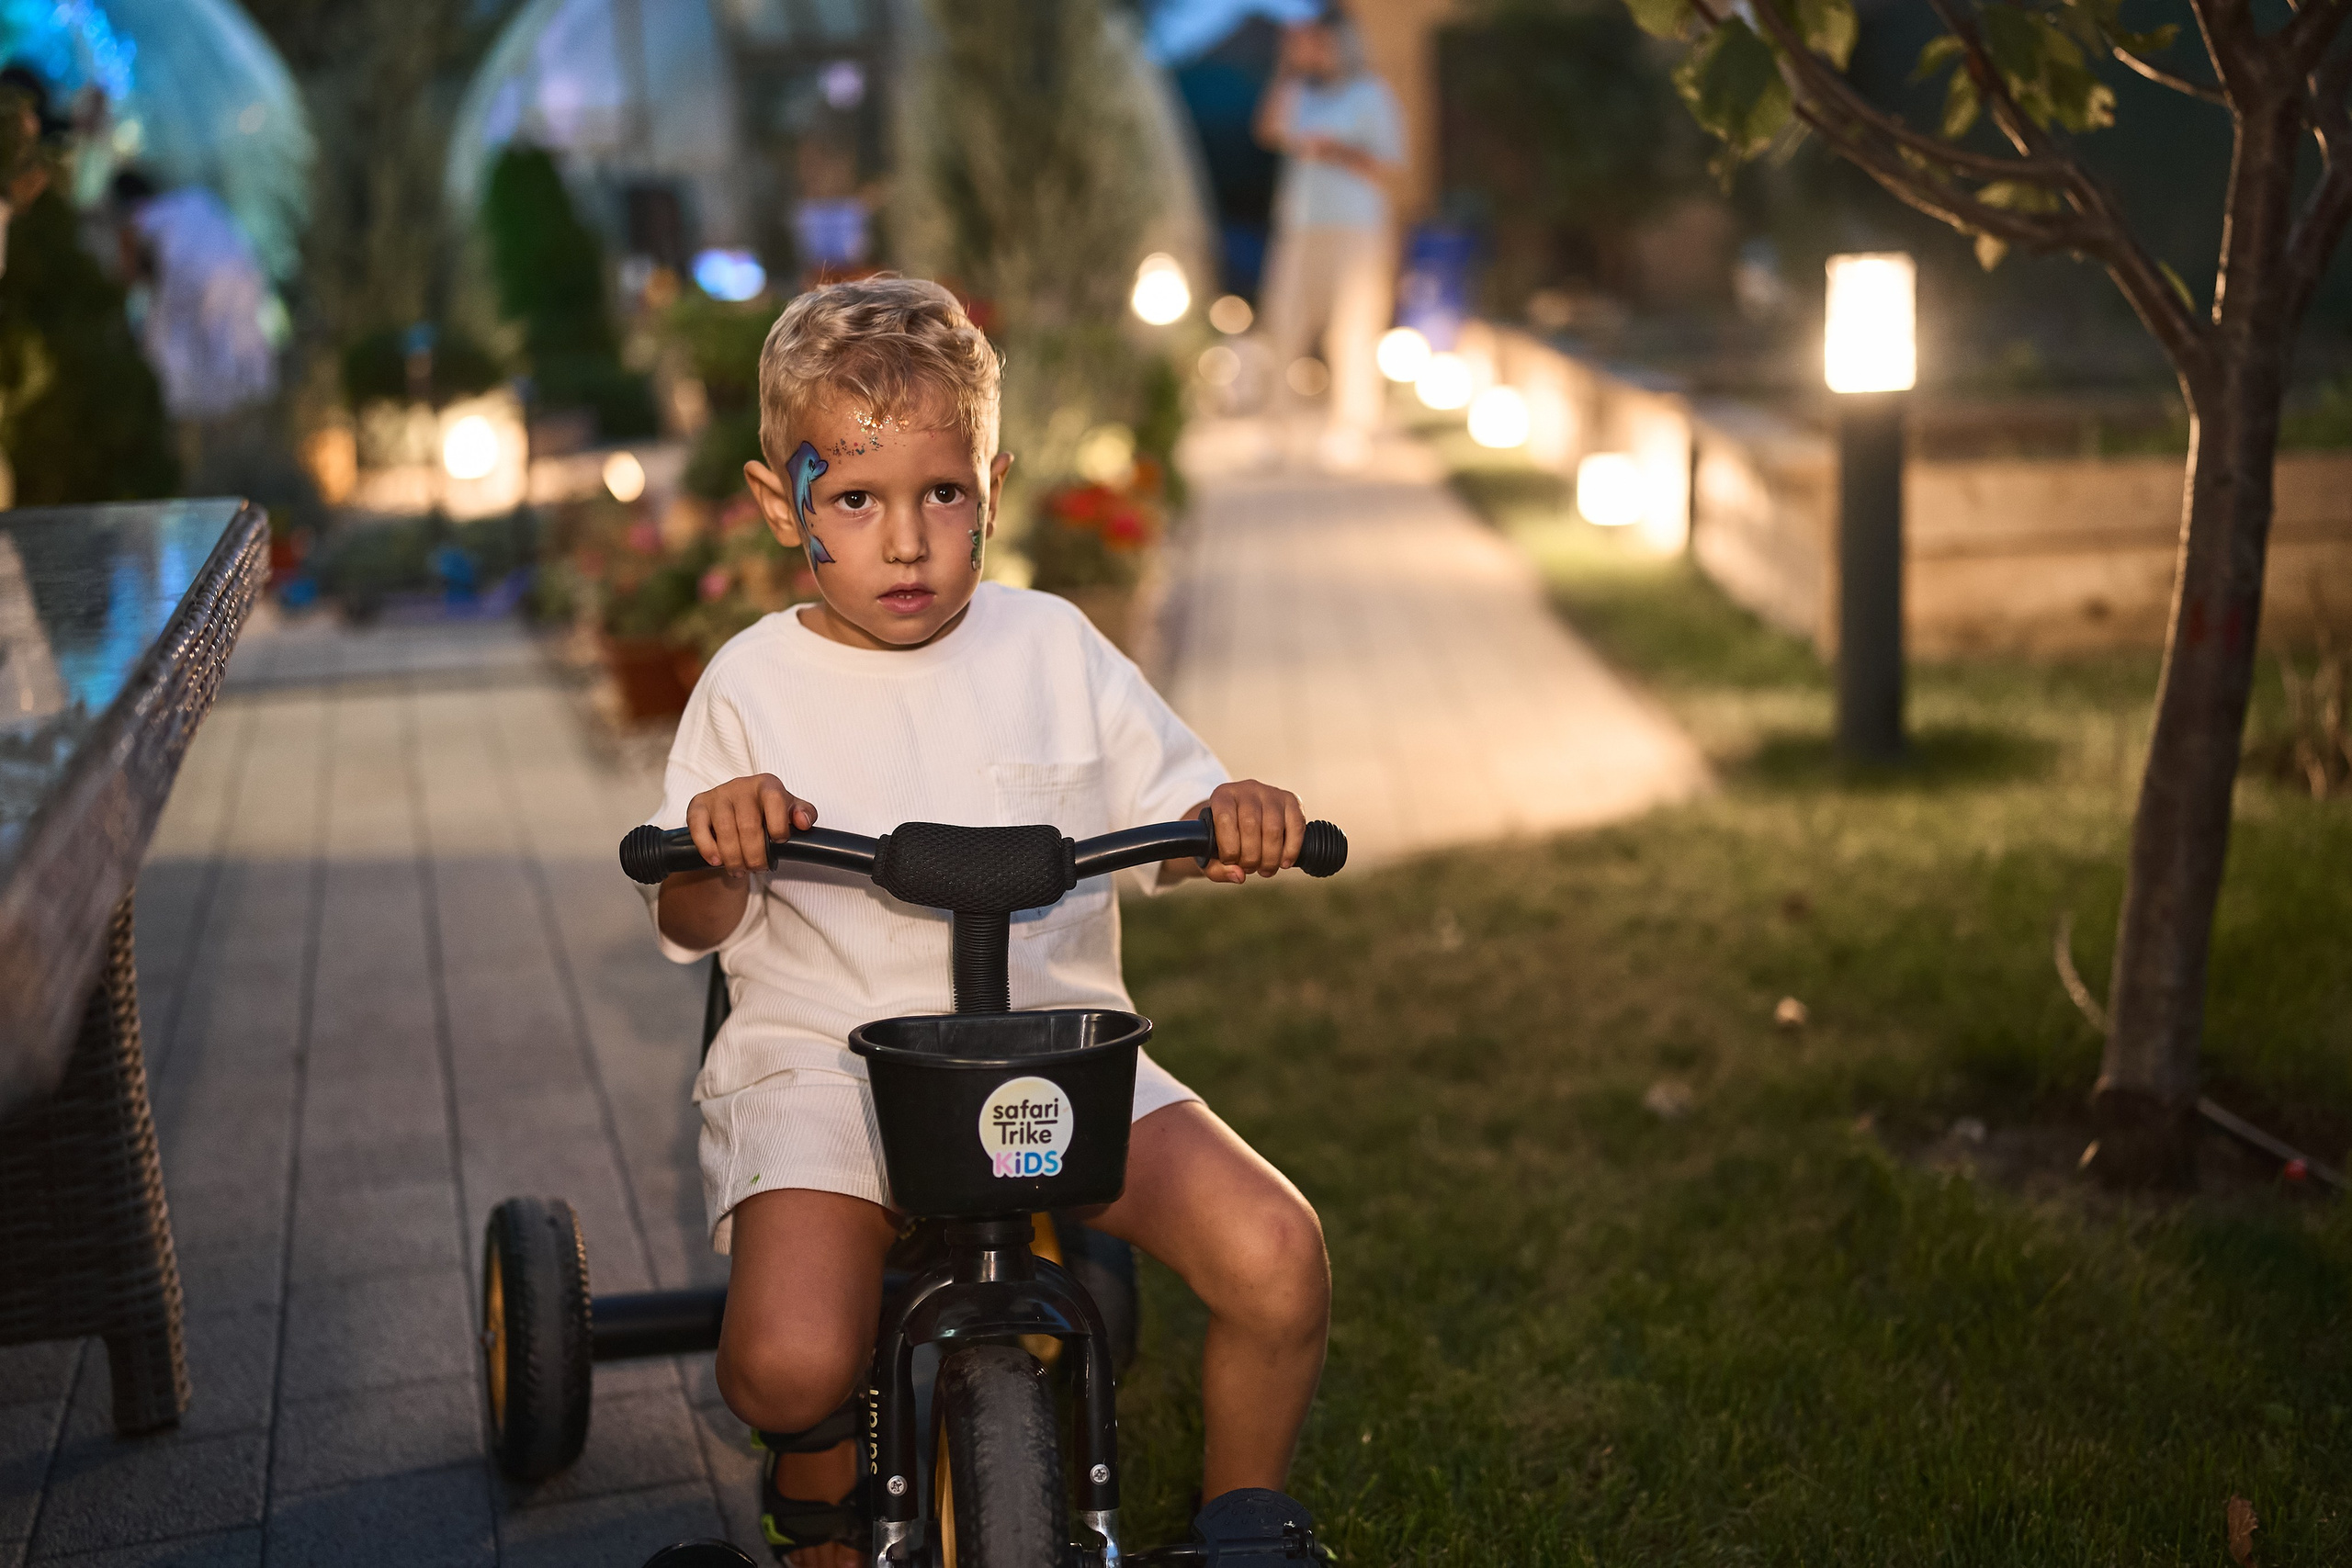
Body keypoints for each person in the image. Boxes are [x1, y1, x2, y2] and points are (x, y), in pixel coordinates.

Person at [637, 276, 1332, 1567]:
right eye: (853, 497)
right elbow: (688, 908)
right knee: (788, 1363)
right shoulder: (751, 686)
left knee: (1279, 1252)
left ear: (993, 489)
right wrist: (720, 841)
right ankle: (820, 1493)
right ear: (776, 501)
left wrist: (1229, 813)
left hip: (1054, 1054)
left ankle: (1244, 1524)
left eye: (940, 495)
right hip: (835, 1068)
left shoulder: (1053, 646)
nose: (905, 542)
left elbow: (1178, 807)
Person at [1252, 5, 1404, 460]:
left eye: (1319, 41)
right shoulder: (1300, 93)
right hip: (1299, 224)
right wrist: (1285, 69)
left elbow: (1388, 166)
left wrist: (1334, 150)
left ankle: (1350, 430)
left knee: (1352, 326)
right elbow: (1267, 131)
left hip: (1355, 227)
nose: (1312, 50)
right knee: (1282, 323)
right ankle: (1274, 430)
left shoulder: (1372, 95)